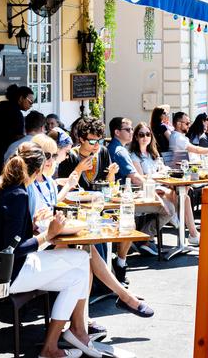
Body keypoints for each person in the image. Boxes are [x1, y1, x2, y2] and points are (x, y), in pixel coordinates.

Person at [0, 147, 96, 358]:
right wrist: (48, 235)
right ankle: (66, 337)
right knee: (81, 260)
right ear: (36, 173)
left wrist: (33, 225)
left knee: (77, 274)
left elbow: (8, 234)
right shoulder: (18, 194)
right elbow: (13, 250)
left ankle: (58, 342)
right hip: (1, 273)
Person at [27, 135, 154, 319]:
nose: (51, 161)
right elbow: (34, 220)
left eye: (53, 156)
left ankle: (89, 317)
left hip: (53, 237)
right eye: (47, 156)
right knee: (85, 253)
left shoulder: (46, 182)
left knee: (87, 251)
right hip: (41, 244)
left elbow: (51, 205)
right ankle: (118, 299)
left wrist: (68, 185)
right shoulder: (30, 185)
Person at [128, 122, 198, 245]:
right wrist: (157, 175)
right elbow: (140, 179)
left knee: (183, 196)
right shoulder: (134, 156)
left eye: (148, 134)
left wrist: (162, 172)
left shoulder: (153, 154)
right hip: (147, 191)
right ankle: (190, 232)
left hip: (160, 188)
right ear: (136, 137)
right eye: (141, 134)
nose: (145, 137)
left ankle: (189, 231)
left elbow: (164, 169)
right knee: (178, 201)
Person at [57, 117, 114, 190]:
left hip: (99, 199)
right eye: (92, 142)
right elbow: (65, 190)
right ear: (82, 139)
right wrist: (79, 169)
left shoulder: (103, 151)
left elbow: (109, 184)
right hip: (76, 200)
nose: (97, 145)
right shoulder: (68, 156)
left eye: (100, 141)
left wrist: (111, 173)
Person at [107, 117, 143, 186]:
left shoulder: (112, 147)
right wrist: (153, 186)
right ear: (117, 132)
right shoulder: (120, 151)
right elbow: (135, 179)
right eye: (128, 130)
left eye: (132, 129)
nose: (132, 132)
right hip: (121, 192)